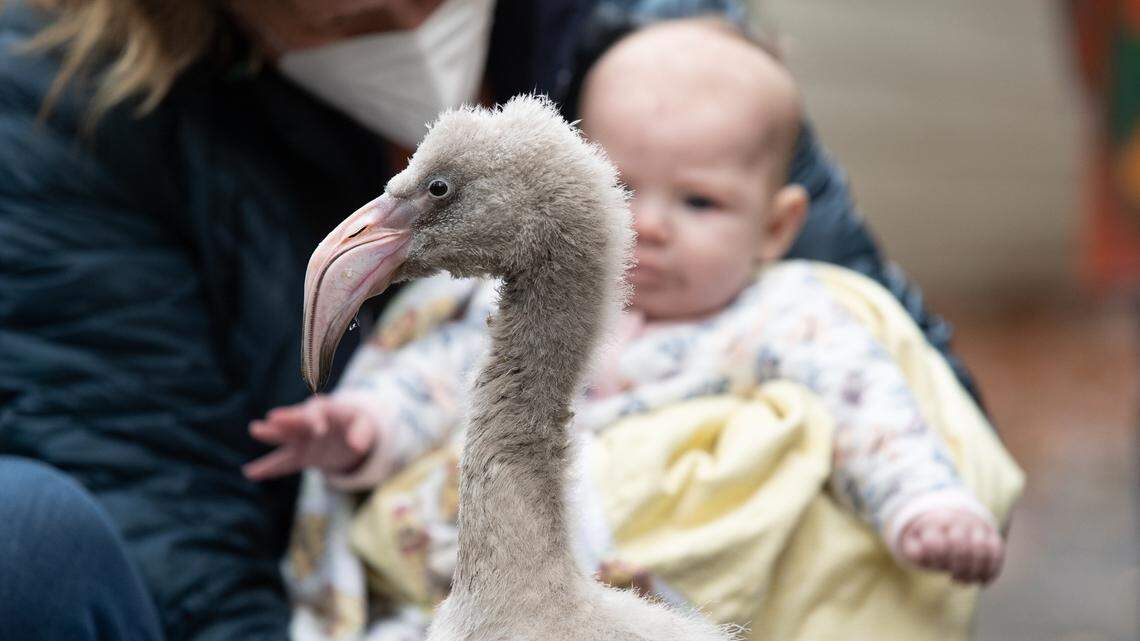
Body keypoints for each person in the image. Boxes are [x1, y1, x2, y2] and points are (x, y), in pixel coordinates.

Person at [0, 1, 978, 640]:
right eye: (339, 20)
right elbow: (169, 521)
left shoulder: (681, 72)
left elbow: (913, 397)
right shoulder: (65, 111)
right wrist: (366, 430)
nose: (399, 29)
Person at [246, 18, 1005, 623]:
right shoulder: (486, 307)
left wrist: (923, 503)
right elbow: (433, 379)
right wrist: (366, 427)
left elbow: (873, 406)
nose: (650, 227)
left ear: (777, 227)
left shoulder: (788, 315)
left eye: (699, 201)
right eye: (625, 188)